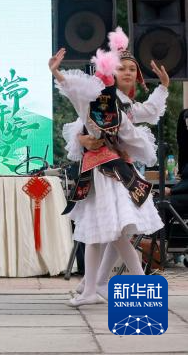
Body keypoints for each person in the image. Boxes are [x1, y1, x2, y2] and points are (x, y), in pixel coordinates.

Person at [51, 30, 163, 308]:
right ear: (109, 73)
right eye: (121, 68)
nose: (127, 73)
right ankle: (96, 285)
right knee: (109, 230)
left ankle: (96, 285)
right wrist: (84, 137)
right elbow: (81, 112)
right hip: (105, 169)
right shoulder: (102, 100)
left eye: (131, 69)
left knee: (112, 230)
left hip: (116, 170)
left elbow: (146, 114)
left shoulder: (124, 106)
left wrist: (163, 87)